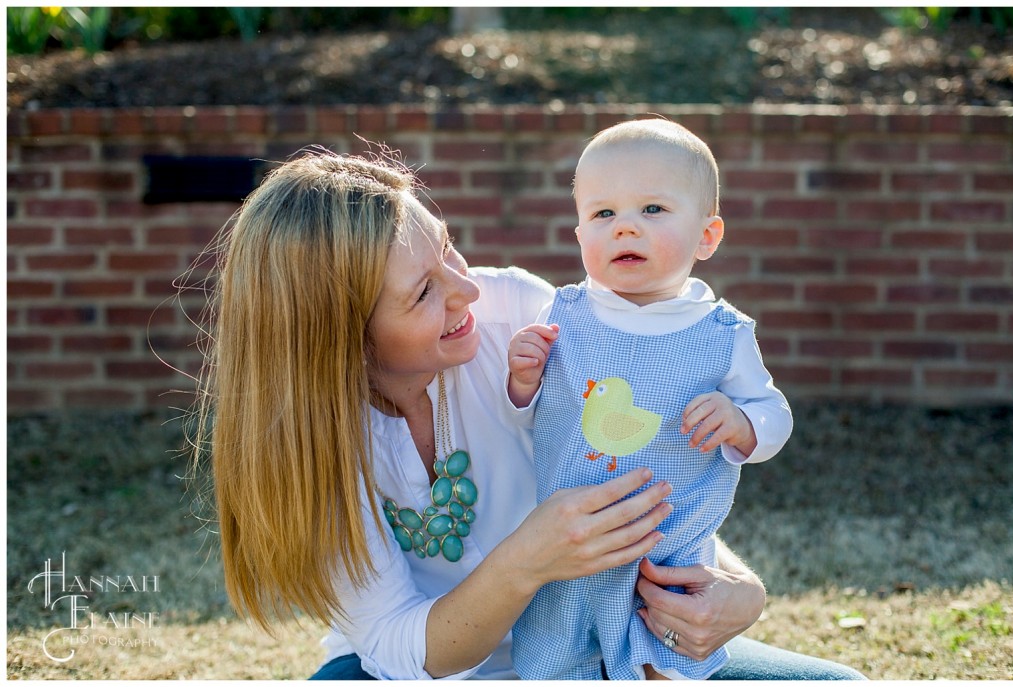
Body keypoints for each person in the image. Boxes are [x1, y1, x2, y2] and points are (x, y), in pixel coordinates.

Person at [191, 146, 865, 681]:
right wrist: (527, 561)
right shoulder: (315, 450)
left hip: (598, 640)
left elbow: (636, 455)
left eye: (448, 248)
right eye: (425, 291)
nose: (467, 287)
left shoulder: (518, 312)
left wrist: (742, 590)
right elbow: (399, 646)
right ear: (341, 340)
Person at [504, 119, 791, 680]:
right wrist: (522, 379)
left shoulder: (721, 332)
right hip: (572, 546)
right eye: (603, 214)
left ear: (707, 237)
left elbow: (774, 415)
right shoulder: (565, 315)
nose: (625, 229)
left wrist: (741, 422)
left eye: (652, 210)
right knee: (558, 661)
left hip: (669, 551)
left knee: (664, 659)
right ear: (580, 234)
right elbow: (526, 420)